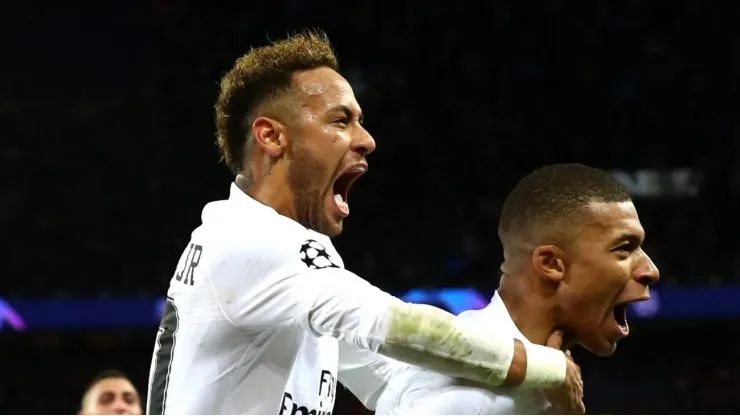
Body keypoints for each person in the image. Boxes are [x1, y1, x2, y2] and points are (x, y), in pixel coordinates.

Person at [145, 31, 581, 415]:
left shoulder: (272, 255)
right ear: (272, 137)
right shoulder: (252, 242)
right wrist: (548, 367)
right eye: (341, 120)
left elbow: (394, 380)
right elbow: (395, 327)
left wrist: (526, 375)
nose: (366, 139)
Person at [374, 164, 660, 415]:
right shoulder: (476, 399)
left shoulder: (544, 386)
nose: (650, 270)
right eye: (624, 249)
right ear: (551, 264)